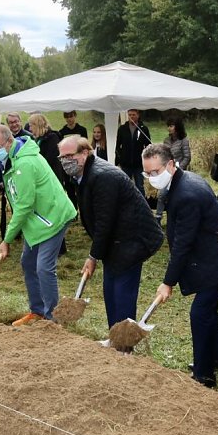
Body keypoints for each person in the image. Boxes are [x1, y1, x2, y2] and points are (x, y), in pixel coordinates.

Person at [142, 143, 218, 388]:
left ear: (170, 165)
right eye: (147, 174)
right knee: (208, 310)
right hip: (215, 253)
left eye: (155, 172)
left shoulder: (186, 194)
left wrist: (168, 282)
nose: (152, 178)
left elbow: (182, 245)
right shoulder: (182, 181)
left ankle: (204, 373)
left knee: (200, 313)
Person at [59, 135, 163, 339]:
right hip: (116, 241)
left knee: (121, 293)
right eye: (62, 157)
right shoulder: (83, 175)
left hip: (133, 240)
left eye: (70, 155)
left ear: (85, 153)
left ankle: (124, 344)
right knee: (110, 291)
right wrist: (97, 254)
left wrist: (93, 256)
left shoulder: (102, 176)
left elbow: (104, 222)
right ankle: (115, 337)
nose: (65, 161)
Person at [0, 125, 76, 325]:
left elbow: (24, 206)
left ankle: (52, 318)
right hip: (38, 220)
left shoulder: (25, 164)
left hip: (53, 217)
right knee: (28, 262)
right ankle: (37, 311)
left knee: (44, 267)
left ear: (9, 142)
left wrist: (7, 239)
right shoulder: (13, 157)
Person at [155, 116, 191, 222]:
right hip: (167, 173)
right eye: (168, 126)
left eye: (171, 126)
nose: (169, 128)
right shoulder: (166, 140)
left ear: (177, 127)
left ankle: (179, 218)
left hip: (180, 173)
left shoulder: (183, 140)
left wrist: (179, 168)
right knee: (162, 194)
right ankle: (158, 218)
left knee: (178, 196)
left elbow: (187, 157)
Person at [115, 109, 152, 195]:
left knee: (139, 186)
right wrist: (119, 159)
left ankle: (142, 206)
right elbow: (117, 145)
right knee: (125, 185)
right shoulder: (122, 129)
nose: (131, 117)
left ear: (138, 115)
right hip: (126, 164)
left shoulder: (143, 129)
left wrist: (146, 160)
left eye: (133, 115)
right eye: (130, 115)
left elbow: (148, 145)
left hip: (138, 164)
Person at [28, 114, 64, 181]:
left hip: (52, 176)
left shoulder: (52, 138)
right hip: (42, 175)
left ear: (37, 125)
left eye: (31, 126)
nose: (30, 129)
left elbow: (50, 159)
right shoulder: (37, 139)